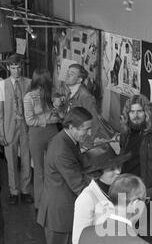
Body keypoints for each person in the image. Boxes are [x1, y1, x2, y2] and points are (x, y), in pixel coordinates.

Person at [35, 107, 92, 244]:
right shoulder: (62, 148)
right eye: (85, 129)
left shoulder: (67, 140)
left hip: (62, 209)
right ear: (71, 127)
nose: (88, 132)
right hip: (59, 212)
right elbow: (77, 183)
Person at [24, 69, 61, 210]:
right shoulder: (29, 97)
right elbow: (29, 121)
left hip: (52, 133)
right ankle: (39, 204)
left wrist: (57, 109)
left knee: (53, 167)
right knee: (39, 170)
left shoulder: (51, 93)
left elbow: (59, 116)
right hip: (36, 135)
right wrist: (48, 119)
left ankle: (53, 200)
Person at [0, 54, 33, 205]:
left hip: (26, 125)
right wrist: (1, 133)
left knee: (26, 158)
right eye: (13, 68)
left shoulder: (29, 83)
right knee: (11, 160)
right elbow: (0, 112)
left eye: (18, 67)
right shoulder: (2, 85)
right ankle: (14, 191)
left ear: (22, 67)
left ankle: (26, 190)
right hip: (9, 126)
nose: (16, 71)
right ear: (8, 68)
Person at [62, 63, 116, 147]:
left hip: (83, 140)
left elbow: (94, 121)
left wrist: (87, 144)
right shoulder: (70, 93)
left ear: (79, 79)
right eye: (68, 73)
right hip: (75, 136)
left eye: (72, 74)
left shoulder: (85, 96)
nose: (67, 75)